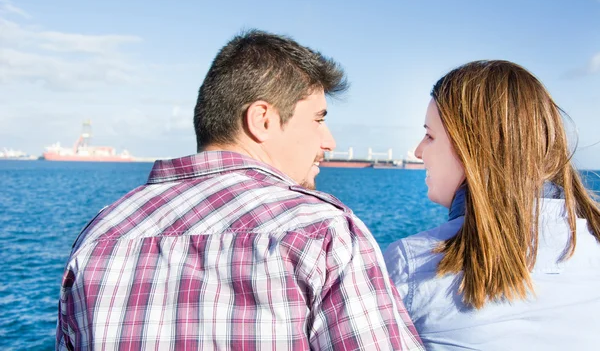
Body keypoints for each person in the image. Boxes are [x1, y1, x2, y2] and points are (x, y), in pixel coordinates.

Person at [56, 30, 423, 350]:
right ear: (262, 119)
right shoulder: (322, 232)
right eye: (318, 119)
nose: (329, 141)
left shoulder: (99, 237)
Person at [384, 60, 600, 350]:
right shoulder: (592, 244)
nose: (418, 151)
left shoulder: (410, 264)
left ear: (471, 148)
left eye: (430, 135)